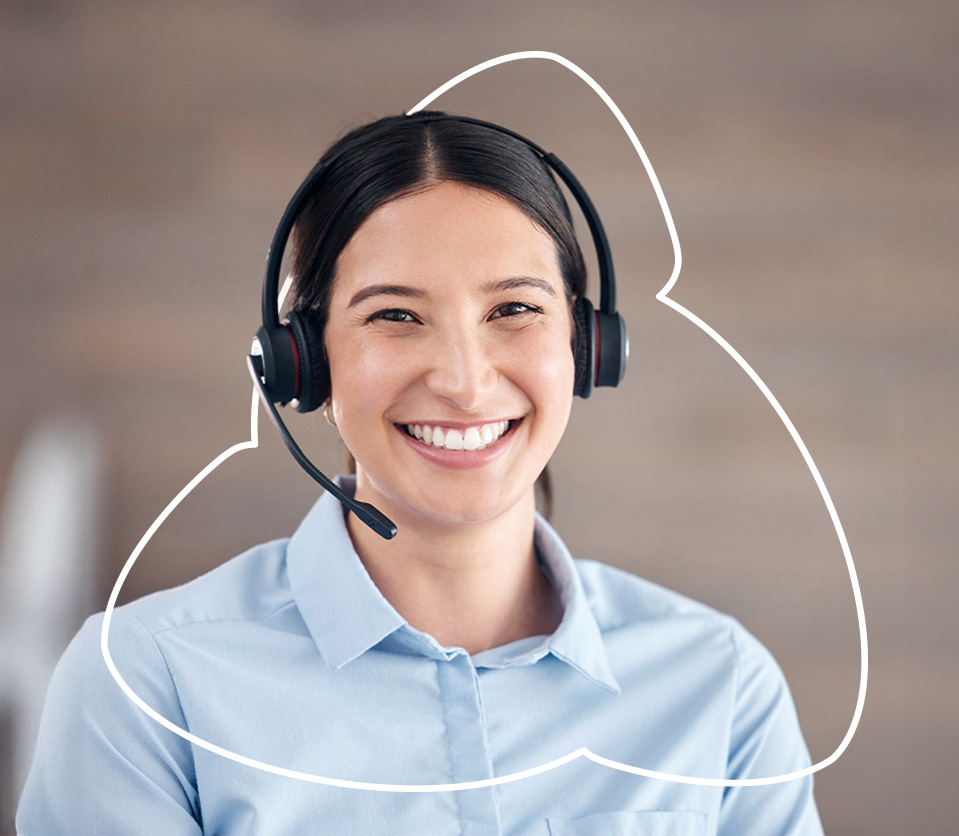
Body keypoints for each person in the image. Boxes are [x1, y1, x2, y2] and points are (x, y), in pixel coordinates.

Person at [18, 112, 825, 834]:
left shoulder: (718, 683)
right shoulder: (145, 686)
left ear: (586, 347)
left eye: (514, 309)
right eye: (395, 316)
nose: (464, 383)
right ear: (303, 363)